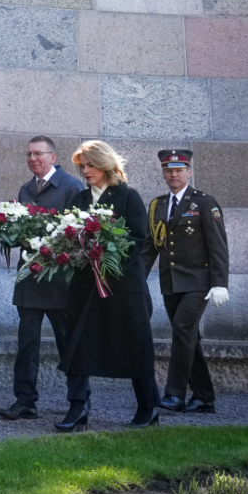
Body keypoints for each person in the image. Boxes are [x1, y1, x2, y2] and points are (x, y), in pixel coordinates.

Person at [56, 140, 159, 431]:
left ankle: (148, 407)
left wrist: (107, 260)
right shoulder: (78, 199)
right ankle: (78, 407)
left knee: (135, 344)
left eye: (90, 165)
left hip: (123, 287)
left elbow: (139, 238)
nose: (85, 171)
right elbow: (67, 234)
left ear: (105, 165)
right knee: (78, 345)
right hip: (84, 286)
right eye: (82, 166)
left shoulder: (128, 196)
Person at [0, 136, 88, 421]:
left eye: (38, 153)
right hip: (30, 280)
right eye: (28, 154)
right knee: (27, 344)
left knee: (68, 344)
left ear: (53, 157)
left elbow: (79, 234)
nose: (32, 158)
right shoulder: (26, 189)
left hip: (61, 281)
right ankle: (25, 400)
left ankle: (79, 403)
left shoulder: (72, 187)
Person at [141, 148, 230, 414]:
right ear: (163, 173)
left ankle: (175, 394)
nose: (174, 175)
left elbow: (218, 246)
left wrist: (220, 283)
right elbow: (150, 247)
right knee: (188, 336)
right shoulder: (158, 205)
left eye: (179, 170)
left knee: (182, 330)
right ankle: (204, 397)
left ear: (189, 172)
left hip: (198, 282)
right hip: (171, 282)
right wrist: (136, 279)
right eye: (169, 170)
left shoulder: (204, 203)